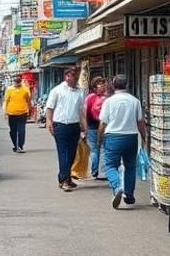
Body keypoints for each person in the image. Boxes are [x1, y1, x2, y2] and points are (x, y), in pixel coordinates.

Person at [97, 74, 148, 209]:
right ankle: (129, 195)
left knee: (110, 165)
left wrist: (99, 138)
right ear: (127, 85)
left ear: (113, 86)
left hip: (113, 137)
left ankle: (117, 186)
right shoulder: (135, 101)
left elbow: (103, 123)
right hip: (131, 137)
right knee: (130, 166)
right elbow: (140, 123)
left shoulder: (109, 101)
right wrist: (144, 138)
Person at [44, 68, 86, 192]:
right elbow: (49, 108)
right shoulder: (57, 91)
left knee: (72, 154)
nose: (70, 78)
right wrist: (49, 121)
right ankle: (65, 180)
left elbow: (81, 111)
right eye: (68, 75)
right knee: (63, 153)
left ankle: (64, 177)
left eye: (73, 75)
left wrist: (85, 126)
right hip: (60, 125)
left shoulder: (80, 92)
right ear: (65, 77)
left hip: (74, 126)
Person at [84, 76, 109, 179]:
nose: (103, 86)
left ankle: (99, 172)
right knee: (97, 149)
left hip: (103, 128)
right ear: (94, 87)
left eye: (104, 83)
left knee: (100, 149)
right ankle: (97, 171)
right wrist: (85, 127)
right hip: (93, 128)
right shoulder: (92, 97)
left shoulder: (106, 98)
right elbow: (85, 113)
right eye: (100, 84)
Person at [4, 74, 34, 152]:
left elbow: (28, 101)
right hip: (11, 113)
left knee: (21, 131)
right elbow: (6, 101)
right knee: (12, 131)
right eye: (16, 81)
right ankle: (15, 145)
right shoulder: (9, 89)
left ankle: (20, 146)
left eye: (18, 81)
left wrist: (30, 111)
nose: (17, 83)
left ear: (21, 81)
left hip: (22, 113)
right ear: (13, 81)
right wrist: (5, 112)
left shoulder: (25, 89)